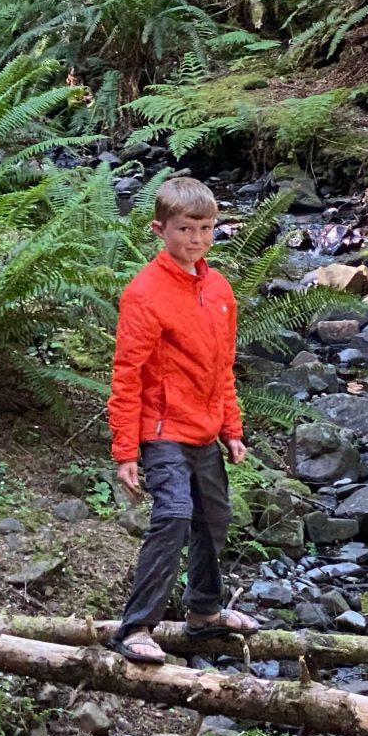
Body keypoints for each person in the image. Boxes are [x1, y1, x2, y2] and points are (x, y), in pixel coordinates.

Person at [106, 175, 261, 664]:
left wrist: (232, 430)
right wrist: (125, 451)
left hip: (205, 430)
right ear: (160, 229)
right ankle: (136, 627)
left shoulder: (218, 289)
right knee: (173, 515)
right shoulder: (144, 293)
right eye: (185, 229)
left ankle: (204, 613)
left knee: (214, 517)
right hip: (160, 429)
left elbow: (222, 367)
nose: (195, 240)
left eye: (206, 228)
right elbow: (127, 374)